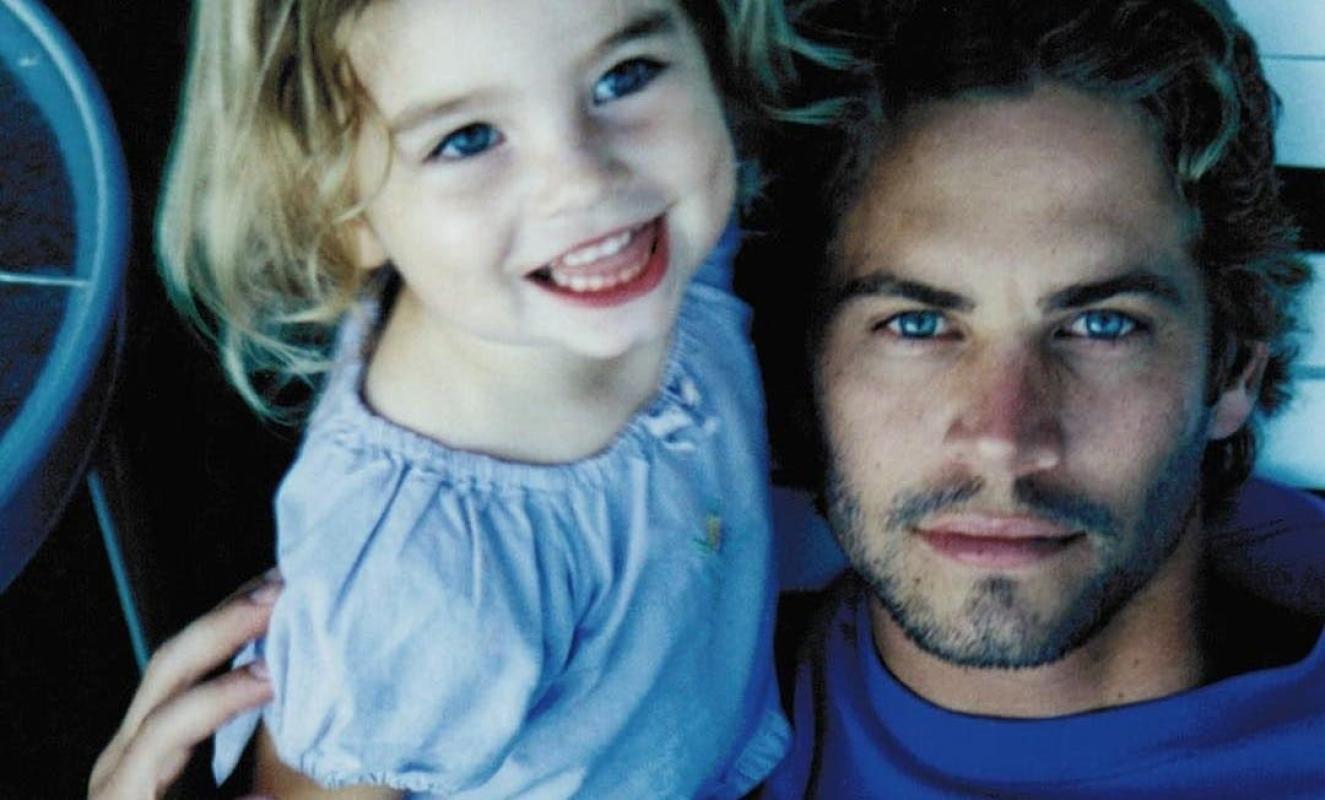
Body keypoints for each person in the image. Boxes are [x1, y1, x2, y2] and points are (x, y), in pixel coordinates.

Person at [143, 0, 840, 796]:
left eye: (624, 76)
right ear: (339, 210)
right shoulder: (426, 583)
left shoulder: (650, 250)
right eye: (468, 138)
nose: (583, 181)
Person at [765, 0, 1324, 796]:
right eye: (917, 324)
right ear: (803, 368)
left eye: (1101, 325)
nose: (1004, 439)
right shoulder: (671, 735)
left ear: (1232, 369)